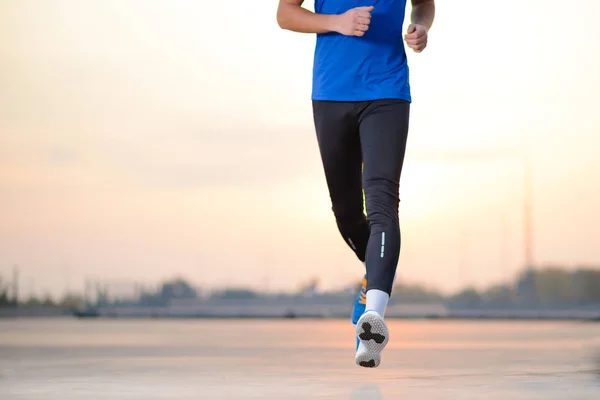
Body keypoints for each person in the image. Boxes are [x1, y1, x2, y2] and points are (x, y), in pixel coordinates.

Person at [276, 0, 435, 368]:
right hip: (331, 94)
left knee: (382, 202)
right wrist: (337, 21)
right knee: (347, 213)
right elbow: (285, 14)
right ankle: (373, 277)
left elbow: (424, 5)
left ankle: (374, 319)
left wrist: (421, 26)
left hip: (387, 91)